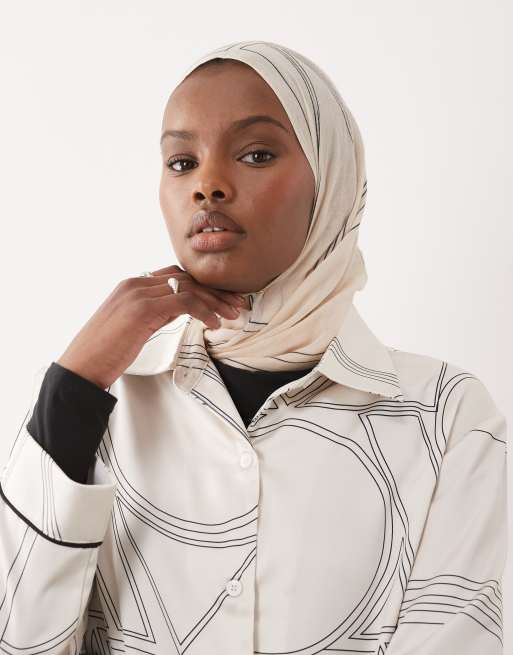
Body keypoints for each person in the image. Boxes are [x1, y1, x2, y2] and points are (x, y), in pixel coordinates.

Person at [0, 40, 507, 655]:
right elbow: (19, 638)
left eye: (256, 154)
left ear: (330, 181)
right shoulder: (99, 403)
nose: (207, 185)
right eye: (182, 162)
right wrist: (72, 386)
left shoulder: (445, 416)